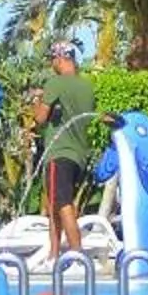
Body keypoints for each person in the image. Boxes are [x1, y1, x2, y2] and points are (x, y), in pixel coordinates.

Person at [34, 40, 102, 259]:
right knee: (55, 204)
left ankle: (76, 255)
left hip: (59, 153)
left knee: (63, 204)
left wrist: (37, 100)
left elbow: (39, 119)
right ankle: (53, 256)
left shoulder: (56, 83)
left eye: (53, 59)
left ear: (61, 58)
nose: (52, 63)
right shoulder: (86, 87)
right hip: (79, 156)